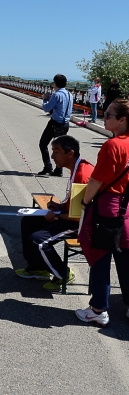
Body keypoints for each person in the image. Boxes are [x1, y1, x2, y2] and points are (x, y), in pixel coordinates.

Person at [15, 135, 93, 290]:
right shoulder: (76, 168)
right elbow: (75, 204)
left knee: (38, 240)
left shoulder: (82, 175)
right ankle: (39, 268)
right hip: (74, 217)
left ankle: (63, 274)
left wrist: (56, 215)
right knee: (29, 221)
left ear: (70, 154)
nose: (52, 156)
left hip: (83, 225)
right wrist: (60, 206)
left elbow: (79, 217)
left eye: (56, 151)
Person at [76, 98, 129, 326]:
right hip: (127, 208)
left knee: (100, 258)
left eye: (108, 115)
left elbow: (96, 180)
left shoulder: (113, 145)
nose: (104, 117)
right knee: (126, 259)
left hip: (107, 206)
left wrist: (85, 203)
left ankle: (98, 308)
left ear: (122, 120)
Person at [37, 74, 73, 177]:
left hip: (55, 123)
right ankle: (58, 169)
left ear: (56, 83)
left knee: (43, 144)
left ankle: (48, 166)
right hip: (65, 124)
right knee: (60, 147)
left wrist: (45, 99)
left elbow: (46, 108)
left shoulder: (57, 95)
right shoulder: (70, 94)